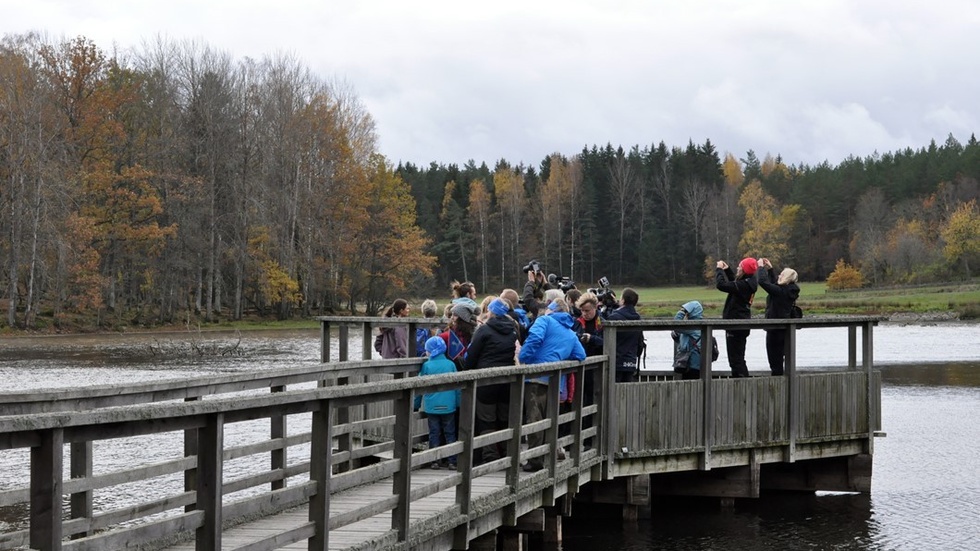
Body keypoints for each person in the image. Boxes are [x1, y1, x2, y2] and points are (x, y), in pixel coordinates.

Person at [518, 298, 586, 472]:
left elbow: (535, 338)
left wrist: (523, 357)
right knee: (550, 419)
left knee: (534, 420)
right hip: (556, 382)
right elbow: (581, 355)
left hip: (535, 378)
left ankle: (535, 460)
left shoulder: (545, 320)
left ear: (552, 309)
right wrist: (559, 357)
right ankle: (548, 457)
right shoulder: (570, 333)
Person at [464, 298, 518, 464]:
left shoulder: (484, 329)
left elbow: (472, 355)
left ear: (491, 311)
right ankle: (507, 452)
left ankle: (490, 455)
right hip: (507, 380)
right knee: (504, 417)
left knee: (486, 418)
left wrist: (468, 370)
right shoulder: (513, 329)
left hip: (486, 380)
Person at [414, 336, 461, 469]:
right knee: (450, 433)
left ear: (431, 351)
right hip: (449, 406)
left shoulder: (427, 366)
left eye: (427, 350)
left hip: (432, 407)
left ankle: (435, 460)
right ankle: (452, 460)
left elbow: (419, 387)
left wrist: (415, 405)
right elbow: (457, 387)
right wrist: (458, 403)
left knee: (434, 433)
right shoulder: (451, 365)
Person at [757, 258, 801, 376]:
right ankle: (785, 383)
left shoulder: (780, 292)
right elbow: (774, 286)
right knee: (781, 359)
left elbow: (764, 283)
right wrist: (770, 269)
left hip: (774, 330)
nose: (778, 276)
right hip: (785, 330)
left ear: (786, 278)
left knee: (775, 362)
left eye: (781, 275)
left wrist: (760, 268)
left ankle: (778, 385)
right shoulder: (789, 291)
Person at [716, 257, 758, 377]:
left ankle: (741, 383)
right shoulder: (749, 283)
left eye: (740, 266)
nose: (738, 268)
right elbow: (734, 284)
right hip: (741, 324)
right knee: (739, 358)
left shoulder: (744, 285)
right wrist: (727, 270)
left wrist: (719, 270)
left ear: (744, 270)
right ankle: (741, 382)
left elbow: (722, 285)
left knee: (735, 360)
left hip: (735, 325)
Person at [603, 288, 643, 383]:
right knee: (627, 391)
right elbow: (640, 342)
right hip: (631, 362)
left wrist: (606, 308)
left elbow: (604, 323)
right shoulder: (638, 318)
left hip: (616, 361)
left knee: (613, 391)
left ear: (623, 300)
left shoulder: (614, 317)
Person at [439, 301, 479, 370]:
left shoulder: (474, 333)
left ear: (463, 318)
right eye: (452, 315)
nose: (451, 317)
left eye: (455, 315)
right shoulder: (447, 333)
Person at [673, 300, 706, 380]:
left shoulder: (693, 325)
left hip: (691, 363)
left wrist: (682, 311)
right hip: (695, 363)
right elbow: (685, 340)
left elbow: (675, 323)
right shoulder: (700, 324)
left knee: (689, 387)